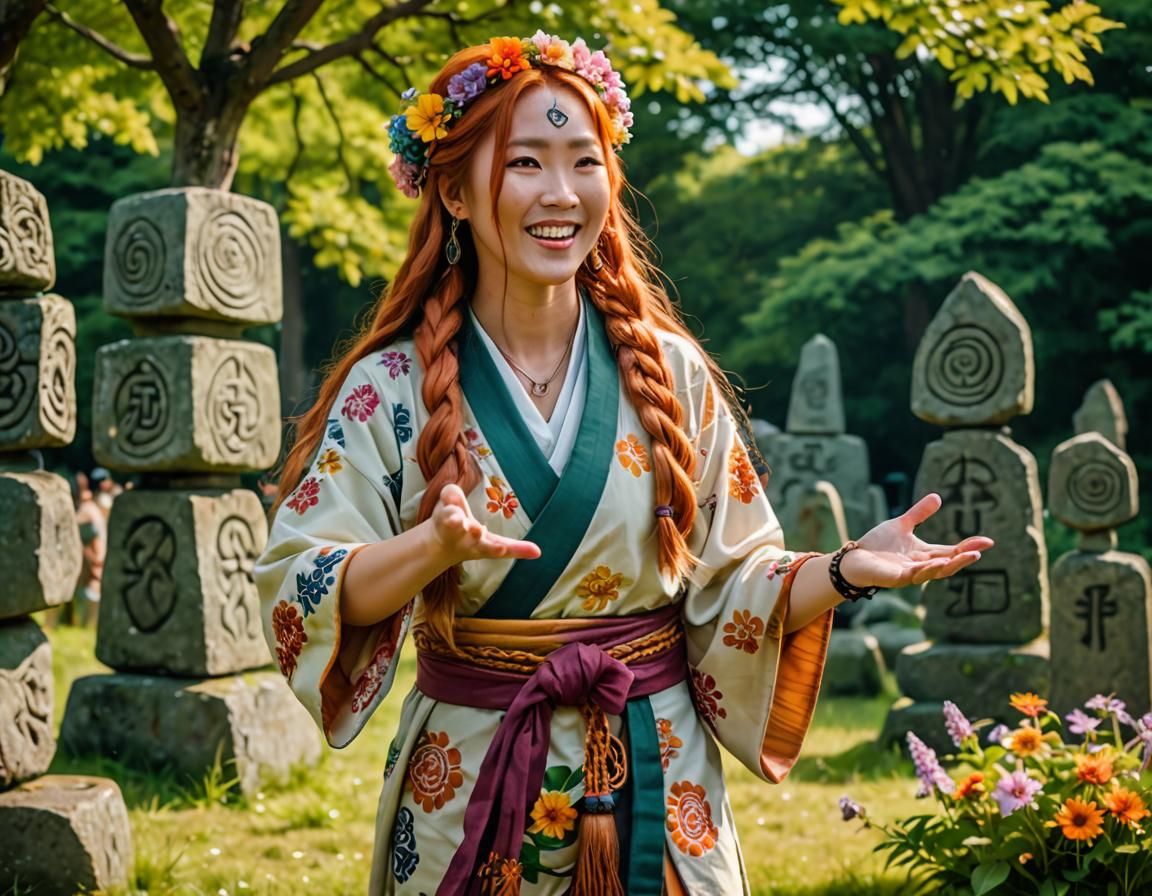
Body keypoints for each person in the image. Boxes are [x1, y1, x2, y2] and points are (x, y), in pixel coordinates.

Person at [255, 33, 992, 896]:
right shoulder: (389, 388)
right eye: (525, 162)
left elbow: (734, 579)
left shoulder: (669, 373)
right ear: (451, 189)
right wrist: (430, 551)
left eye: (584, 162)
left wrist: (841, 571)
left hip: (658, 767)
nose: (561, 194)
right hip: (471, 775)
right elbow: (300, 576)